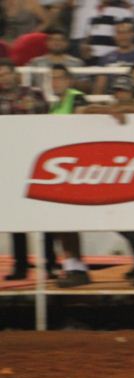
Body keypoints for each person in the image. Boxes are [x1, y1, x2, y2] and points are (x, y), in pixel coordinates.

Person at [0, 58, 56, 281]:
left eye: (5, 74)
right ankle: (21, 265)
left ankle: (50, 263)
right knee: (16, 219)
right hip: (10, 162)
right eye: (0, 76)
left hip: (37, 162)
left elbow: (47, 121)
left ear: (16, 74)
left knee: (45, 215)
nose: (3, 79)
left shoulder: (34, 94)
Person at [93, 20, 134, 94]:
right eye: (119, 33)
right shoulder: (105, 59)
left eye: (127, 32)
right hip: (113, 101)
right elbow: (99, 87)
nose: (123, 37)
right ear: (114, 36)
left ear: (133, 34)